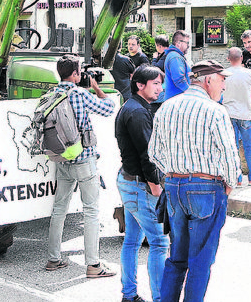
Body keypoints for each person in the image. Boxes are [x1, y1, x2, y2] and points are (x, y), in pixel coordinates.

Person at [150, 60, 241, 302]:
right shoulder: (215, 111)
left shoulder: (166, 107)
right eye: (222, 80)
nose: (224, 86)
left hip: (174, 184)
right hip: (206, 186)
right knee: (201, 260)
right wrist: (230, 184)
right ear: (208, 80)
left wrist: (173, 172)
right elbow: (229, 155)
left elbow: (154, 154)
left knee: (177, 257)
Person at [45, 54, 117, 278]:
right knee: (91, 211)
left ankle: (54, 259)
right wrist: (96, 87)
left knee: (59, 209)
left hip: (61, 158)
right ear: (75, 74)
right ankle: (93, 265)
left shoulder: (51, 94)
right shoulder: (79, 93)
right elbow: (108, 108)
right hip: (83, 158)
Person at [115, 65, 170, 302]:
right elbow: (147, 155)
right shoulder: (137, 112)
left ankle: (129, 294)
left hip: (130, 181)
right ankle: (159, 298)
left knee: (132, 241)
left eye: (160, 83)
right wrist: (156, 187)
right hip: (139, 184)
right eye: (155, 83)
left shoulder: (134, 106)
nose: (160, 88)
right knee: (159, 242)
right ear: (140, 85)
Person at [222, 47, 251, 187]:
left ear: (228, 59)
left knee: (233, 147)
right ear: (242, 57)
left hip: (229, 113)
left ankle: (237, 178)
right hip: (246, 113)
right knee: (249, 147)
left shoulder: (224, 74)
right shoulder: (249, 73)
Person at [160, 30, 191, 100]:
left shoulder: (174, 56)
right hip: (176, 100)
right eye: (187, 43)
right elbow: (179, 80)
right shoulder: (175, 57)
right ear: (178, 43)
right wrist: (191, 93)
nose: (188, 46)